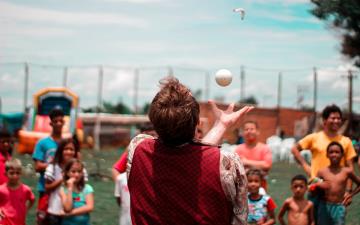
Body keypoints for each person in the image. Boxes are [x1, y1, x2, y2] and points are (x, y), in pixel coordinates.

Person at [126, 77, 253, 225]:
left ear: (154, 121)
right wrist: (221, 126)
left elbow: (188, 154)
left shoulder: (138, 148)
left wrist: (221, 125)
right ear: (198, 122)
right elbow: (240, 219)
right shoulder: (228, 163)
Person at [291, 104, 356, 204]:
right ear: (324, 120)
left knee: (336, 219)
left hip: (337, 191)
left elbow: (350, 168)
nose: (336, 121)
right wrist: (306, 166)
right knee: (313, 218)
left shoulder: (346, 141)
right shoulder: (314, 138)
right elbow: (295, 149)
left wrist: (348, 191)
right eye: (333, 118)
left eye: (339, 118)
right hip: (316, 187)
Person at [310, 141, 360, 225]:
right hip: (324, 206)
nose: (334, 154)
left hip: (339, 206)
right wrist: (317, 185)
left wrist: (350, 194)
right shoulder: (322, 172)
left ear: (342, 155)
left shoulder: (347, 171)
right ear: (327, 155)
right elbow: (312, 188)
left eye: (337, 152)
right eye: (331, 152)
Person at [32, 108, 65, 224]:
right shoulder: (42, 143)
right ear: (51, 123)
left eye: (61, 121)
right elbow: (37, 166)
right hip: (45, 189)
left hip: (62, 190)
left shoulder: (66, 144)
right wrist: (52, 165)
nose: (59, 124)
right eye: (56, 121)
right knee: (42, 220)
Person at [45, 138, 87, 225]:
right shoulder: (52, 167)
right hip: (55, 211)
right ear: (60, 151)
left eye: (71, 149)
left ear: (76, 152)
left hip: (74, 212)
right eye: (66, 149)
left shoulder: (81, 169)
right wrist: (63, 179)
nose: (69, 152)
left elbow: (84, 188)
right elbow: (47, 188)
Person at [235, 121, 272, 190]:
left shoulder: (264, 148)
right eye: (246, 129)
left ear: (257, 131)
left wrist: (246, 162)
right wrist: (259, 165)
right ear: (243, 133)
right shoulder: (238, 149)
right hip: (242, 188)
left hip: (261, 189)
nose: (249, 131)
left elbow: (267, 165)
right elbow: (236, 167)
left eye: (252, 129)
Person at [0, 158, 35, 225]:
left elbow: (32, 199)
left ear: (21, 173)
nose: (15, 176)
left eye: (17, 173)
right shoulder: (1, 189)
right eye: (12, 173)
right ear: (5, 173)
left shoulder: (25, 189)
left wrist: (25, 209)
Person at [59, 159, 94, 225]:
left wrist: (69, 214)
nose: (77, 174)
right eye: (73, 171)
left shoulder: (87, 188)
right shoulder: (63, 190)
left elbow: (90, 207)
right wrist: (70, 189)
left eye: (79, 171)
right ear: (67, 173)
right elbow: (67, 208)